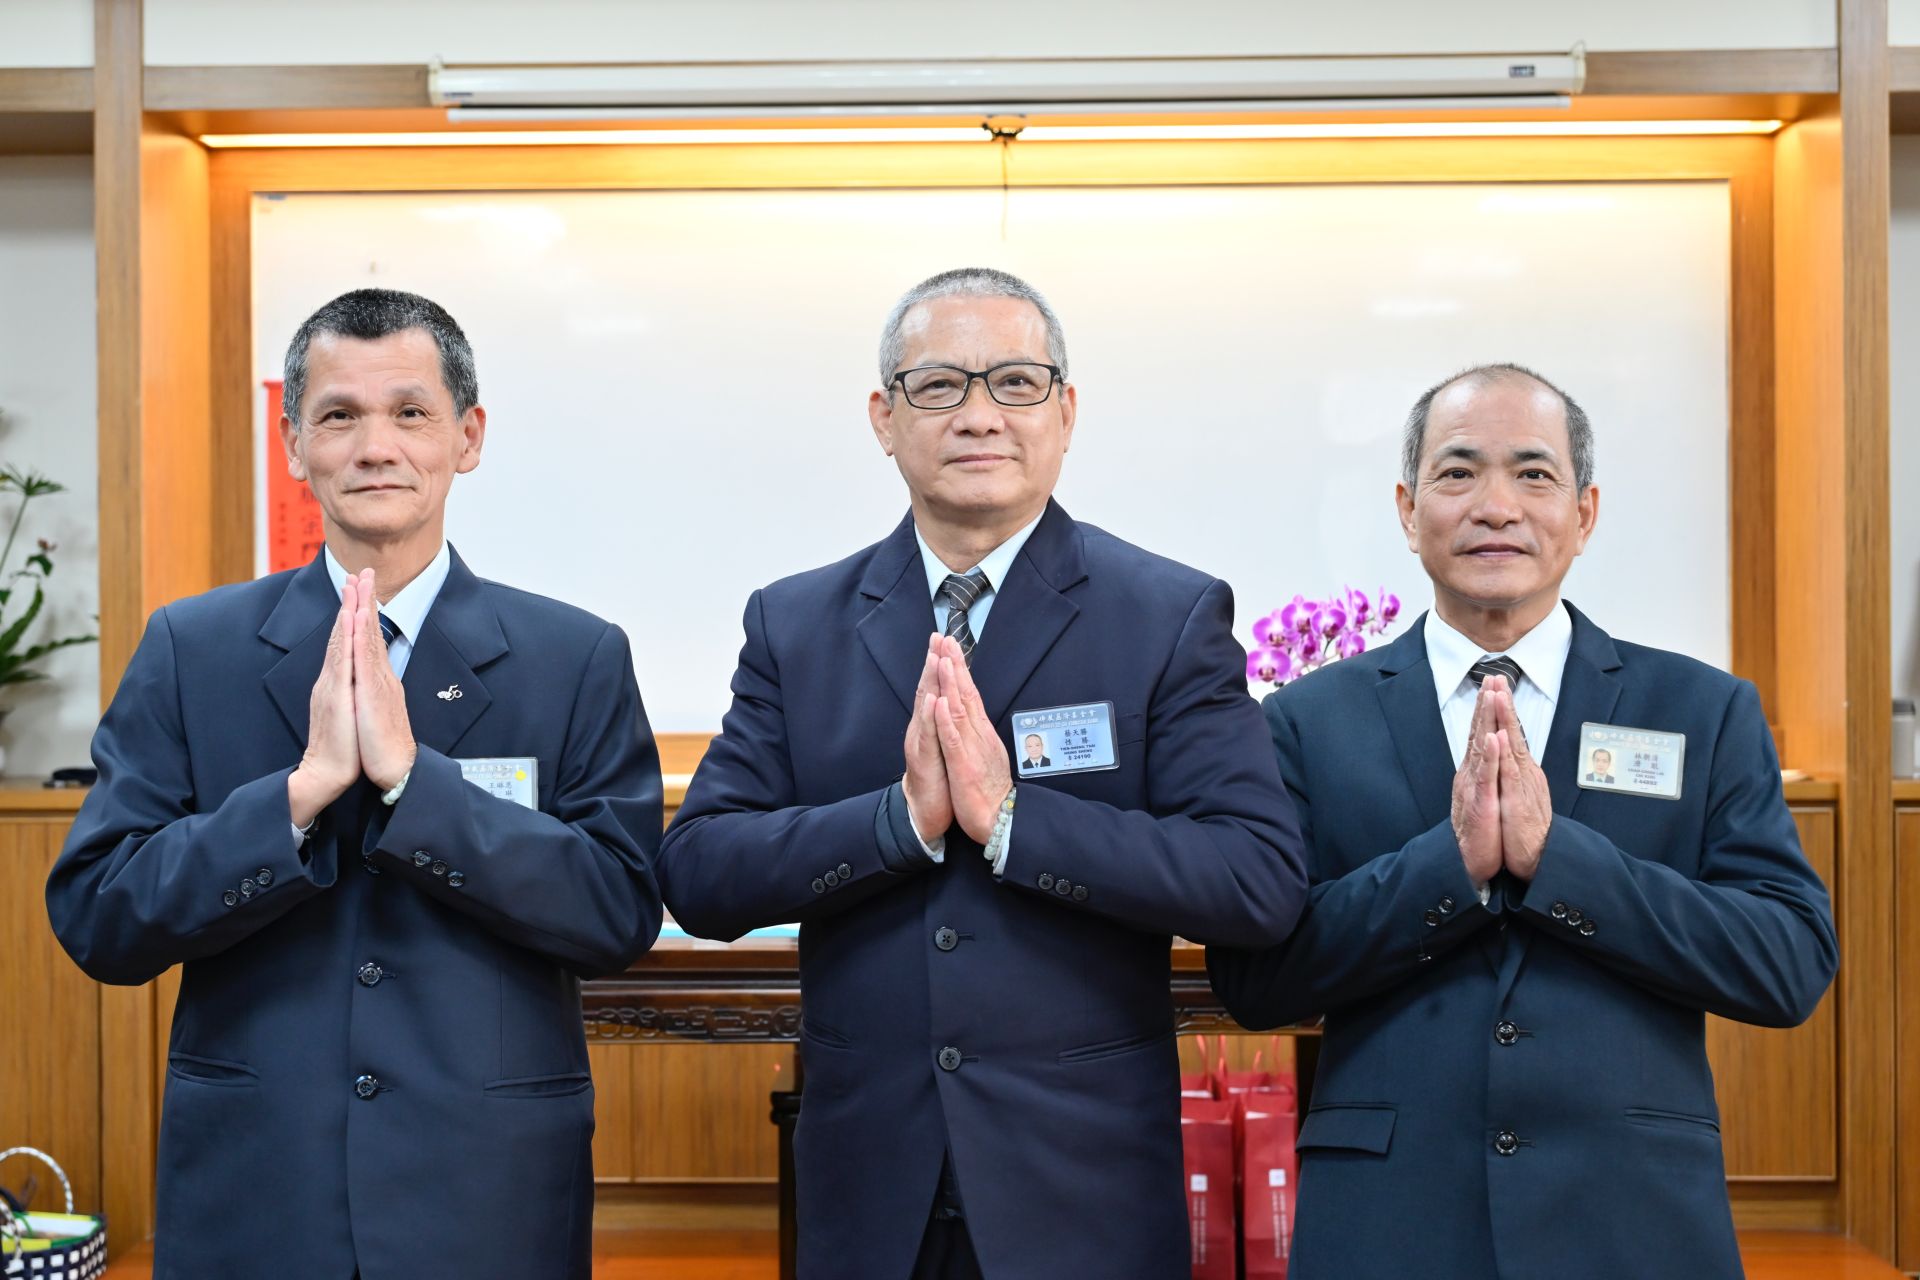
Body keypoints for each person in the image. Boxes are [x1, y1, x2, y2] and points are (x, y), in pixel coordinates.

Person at [658, 267, 1306, 1279]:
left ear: (1065, 411)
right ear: (885, 416)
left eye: (1015, 382)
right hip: (869, 1184)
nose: (979, 415)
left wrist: (1013, 820)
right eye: (939, 386)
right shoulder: (796, 623)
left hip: (1080, 1187)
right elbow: (700, 871)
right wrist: (895, 824)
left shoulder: (1165, 615)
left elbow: (1254, 878)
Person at [46, 289, 663, 1280]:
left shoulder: (572, 654)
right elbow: (98, 914)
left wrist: (420, 787)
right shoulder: (190, 647)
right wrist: (295, 797)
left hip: (488, 1192)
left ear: (468, 437)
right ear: (295, 443)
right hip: (258, 1187)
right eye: (339, 415)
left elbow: (618, 909)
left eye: (409, 412)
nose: (375, 445)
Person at [1207, 364, 1837, 1279]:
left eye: (1533, 474)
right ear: (1406, 506)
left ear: (1584, 513)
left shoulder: (1700, 711)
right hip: (1389, 1217)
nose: (1495, 505)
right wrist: (1448, 871)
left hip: (1632, 1215)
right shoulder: (1304, 720)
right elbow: (1256, 979)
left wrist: (1560, 863)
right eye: (1458, 472)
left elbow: (1788, 963)